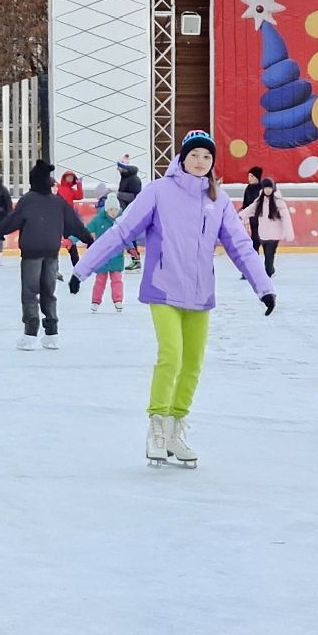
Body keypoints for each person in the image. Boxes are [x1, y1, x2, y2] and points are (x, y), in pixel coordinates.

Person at [69, 129, 276, 467]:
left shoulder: (218, 200)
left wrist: (263, 286)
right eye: (194, 155)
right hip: (163, 287)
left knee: (193, 363)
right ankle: (156, 428)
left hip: (200, 291)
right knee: (172, 356)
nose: (200, 161)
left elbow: (239, 245)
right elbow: (122, 231)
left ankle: (176, 428)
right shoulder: (158, 192)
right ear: (182, 157)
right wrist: (83, 268)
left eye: (207, 157)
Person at [0, 160, 93, 350]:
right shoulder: (58, 202)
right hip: (51, 254)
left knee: (30, 293)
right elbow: (74, 224)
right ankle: (52, 334)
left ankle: (30, 334)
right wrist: (88, 238)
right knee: (49, 293)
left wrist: (0, 231)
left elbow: (13, 220)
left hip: (31, 254)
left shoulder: (28, 200)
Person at [238, 177, 291, 278]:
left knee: (269, 255)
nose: (267, 190)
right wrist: (240, 216)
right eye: (265, 188)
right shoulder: (260, 201)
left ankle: (269, 272)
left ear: (273, 188)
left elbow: (286, 218)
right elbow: (250, 209)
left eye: (269, 188)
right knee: (267, 253)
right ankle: (270, 271)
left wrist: (289, 234)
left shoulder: (278, 201)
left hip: (275, 235)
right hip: (263, 233)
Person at [86, 193, 127, 312]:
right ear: (106, 209)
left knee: (117, 279)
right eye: (111, 209)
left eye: (115, 209)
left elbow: (126, 235)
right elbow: (85, 231)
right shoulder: (98, 219)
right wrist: (71, 240)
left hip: (116, 255)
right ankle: (95, 301)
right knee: (100, 280)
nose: (113, 212)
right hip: (102, 256)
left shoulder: (121, 220)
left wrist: (131, 248)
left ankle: (118, 300)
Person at [114, 157, 146, 269]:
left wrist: (119, 195)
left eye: (120, 168)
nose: (118, 170)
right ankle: (135, 260)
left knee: (130, 237)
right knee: (128, 237)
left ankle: (136, 260)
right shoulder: (124, 178)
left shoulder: (134, 179)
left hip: (131, 212)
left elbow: (135, 197)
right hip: (124, 211)